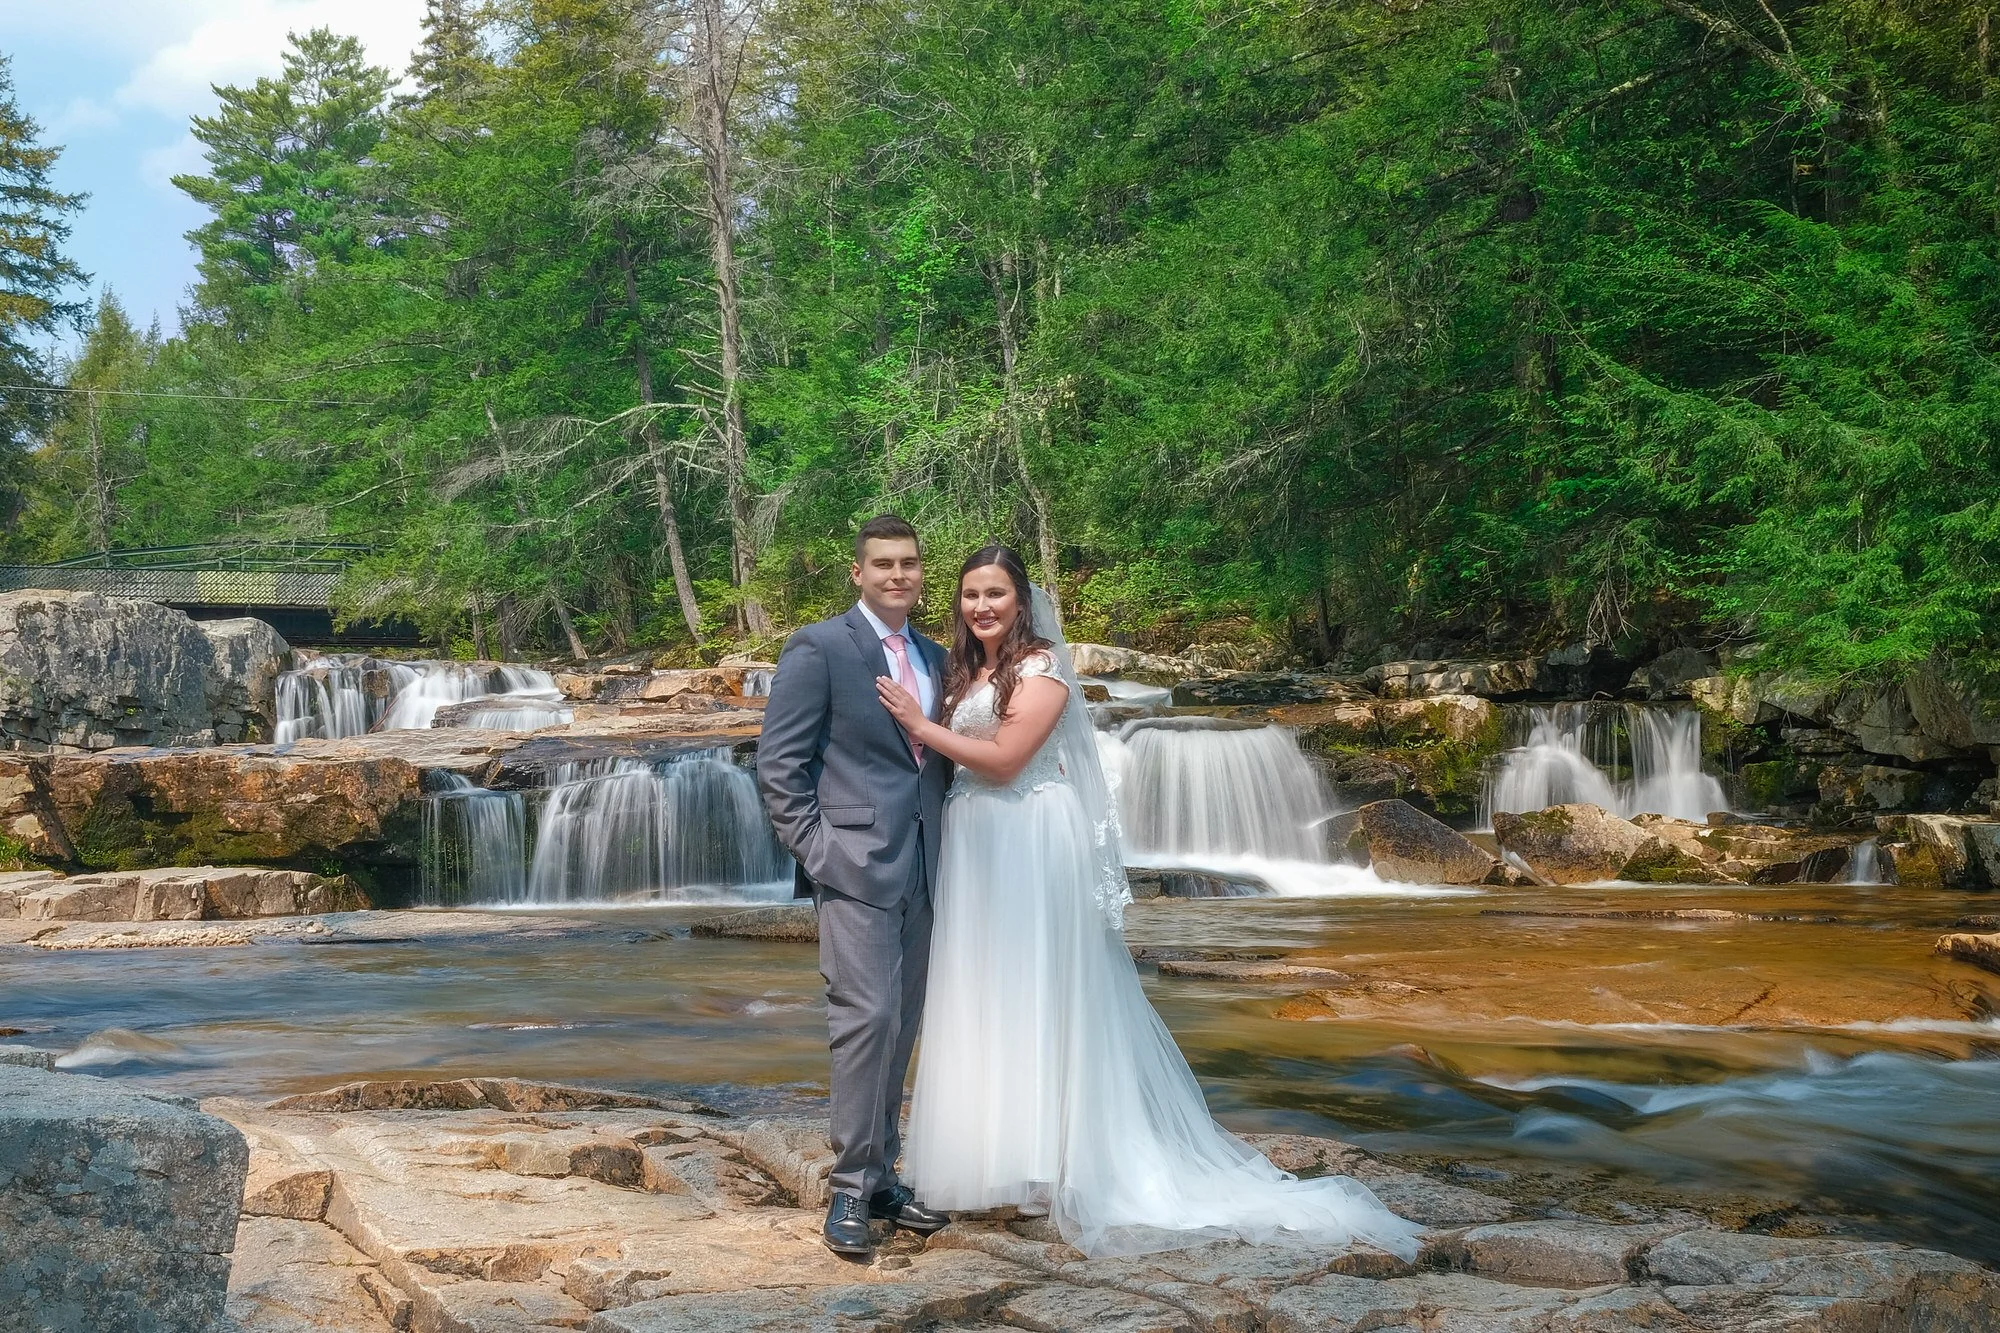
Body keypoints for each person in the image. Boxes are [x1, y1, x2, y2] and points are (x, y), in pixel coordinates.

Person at [875, 544, 1423, 1260]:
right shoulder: (962, 667)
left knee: (1040, 988)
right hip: (974, 842)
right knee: (985, 990)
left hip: (1031, 834)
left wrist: (921, 725)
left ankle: (1049, 1162)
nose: (982, 606)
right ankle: (989, 1158)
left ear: (1021, 600)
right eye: (971, 594)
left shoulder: (1042, 669)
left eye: (997, 594)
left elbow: (1008, 760)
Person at [756, 514, 954, 1257]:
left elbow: (937, 759)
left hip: (929, 866)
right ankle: (847, 1188)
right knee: (863, 1018)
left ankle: (883, 1180)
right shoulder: (820, 647)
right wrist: (820, 852)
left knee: (902, 1023)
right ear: (858, 572)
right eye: (883, 564)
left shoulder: (935, 655)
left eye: (909, 563)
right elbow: (779, 766)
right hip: (855, 865)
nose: (898, 575)